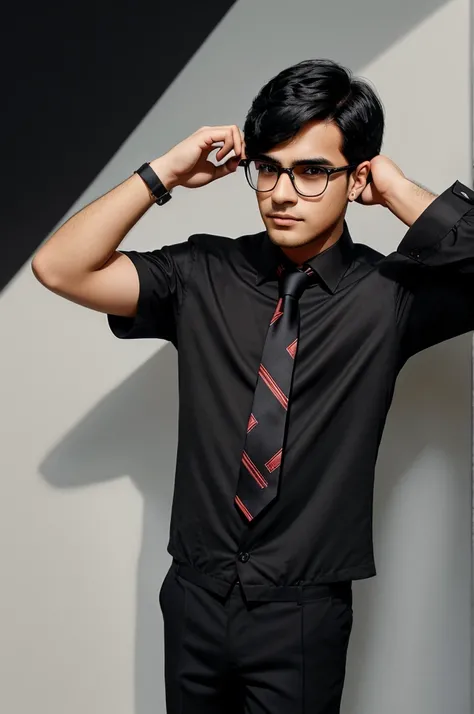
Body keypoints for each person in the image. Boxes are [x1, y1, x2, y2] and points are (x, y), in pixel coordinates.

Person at [31, 58, 474, 713]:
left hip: (302, 613)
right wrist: (167, 172)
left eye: (312, 170)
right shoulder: (202, 271)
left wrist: (401, 191)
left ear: (355, 178)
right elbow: (58, 266)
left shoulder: (390, 295)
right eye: (268, 167)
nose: (282, 192)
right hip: (194, 597)